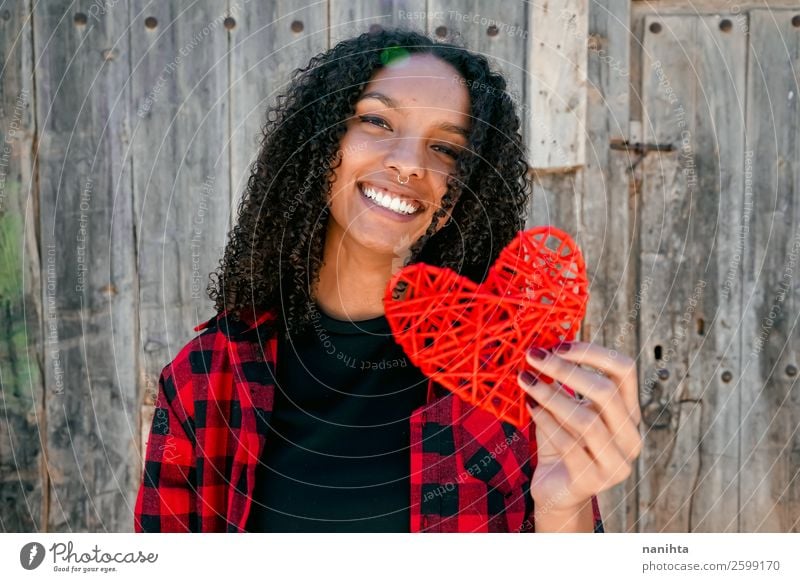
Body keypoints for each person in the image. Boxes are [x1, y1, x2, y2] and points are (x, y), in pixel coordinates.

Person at [133, 28, 642, 533]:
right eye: (377, 121)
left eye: (446, 149)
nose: (408, 163)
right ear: (321, 142)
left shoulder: (511, 371)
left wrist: (562, 503)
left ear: (460, 196)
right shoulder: (206, 378)